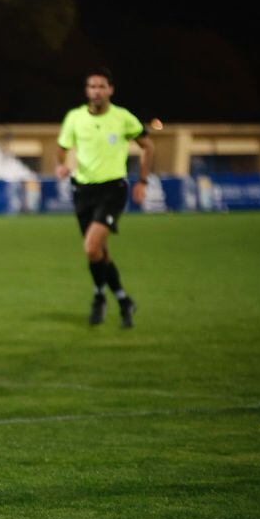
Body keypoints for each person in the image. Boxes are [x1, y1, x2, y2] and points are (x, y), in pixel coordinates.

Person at [55, 68, 154, 328]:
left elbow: (148, 146)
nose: (96, 91)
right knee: (98, 252)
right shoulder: (75, 118)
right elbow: (61, 149)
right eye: (92, 87)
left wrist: (143, 181)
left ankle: (101, 298)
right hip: (83, 190)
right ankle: (121, 300)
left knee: (91, 247)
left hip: (112, 190)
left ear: (110, 89)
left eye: (101, 86)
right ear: (87, 91)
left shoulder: (123, 118)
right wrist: (62, 165)